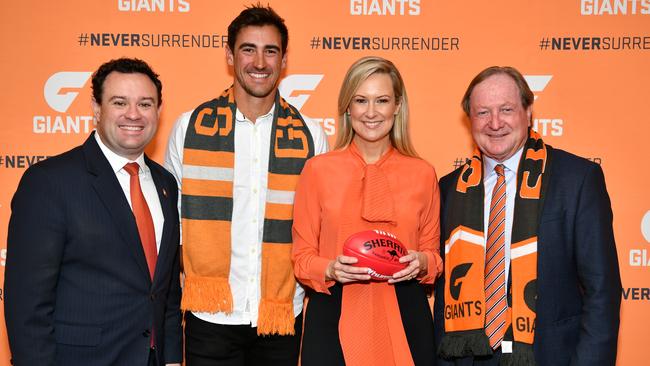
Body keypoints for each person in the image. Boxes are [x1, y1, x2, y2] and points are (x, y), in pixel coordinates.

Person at [164, 4, 328, 365]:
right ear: (229, 55)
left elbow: (319, 226)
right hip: (211, 315)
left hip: (283, 314)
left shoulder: (311, 135)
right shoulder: (190, 128)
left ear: (284, 60)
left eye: (271, 51)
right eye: (248, 49)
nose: (260, 62)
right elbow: (171, 222)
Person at [433, 66, 621, 365]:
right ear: (470, 119)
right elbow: (444, 295)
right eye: (482, 112)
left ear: (528, 112)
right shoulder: (448, 188)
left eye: (506, 109)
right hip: (468, 356)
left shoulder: (577, 179)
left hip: (551, 355)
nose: (495, 123)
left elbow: (602, 290)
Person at [4, 58, 182, 366]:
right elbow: (26, 306)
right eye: (119, 102)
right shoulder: (49, 182)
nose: (133, 114)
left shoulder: (166, 184)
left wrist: (169, 358)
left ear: (158, 111)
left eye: (145, 103)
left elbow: (164, 292)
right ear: (96, 108)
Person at [292, 56, 443, 366]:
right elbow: (301, 258)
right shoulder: (317, 170)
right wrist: (331, 269)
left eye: (382, 100)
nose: (371, 112)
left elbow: (434, 257)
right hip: (333, 310)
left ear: (398, 106)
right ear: (347, 107)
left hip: (405, 312)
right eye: (361, 100)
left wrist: (422, 262)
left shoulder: (423, 173)